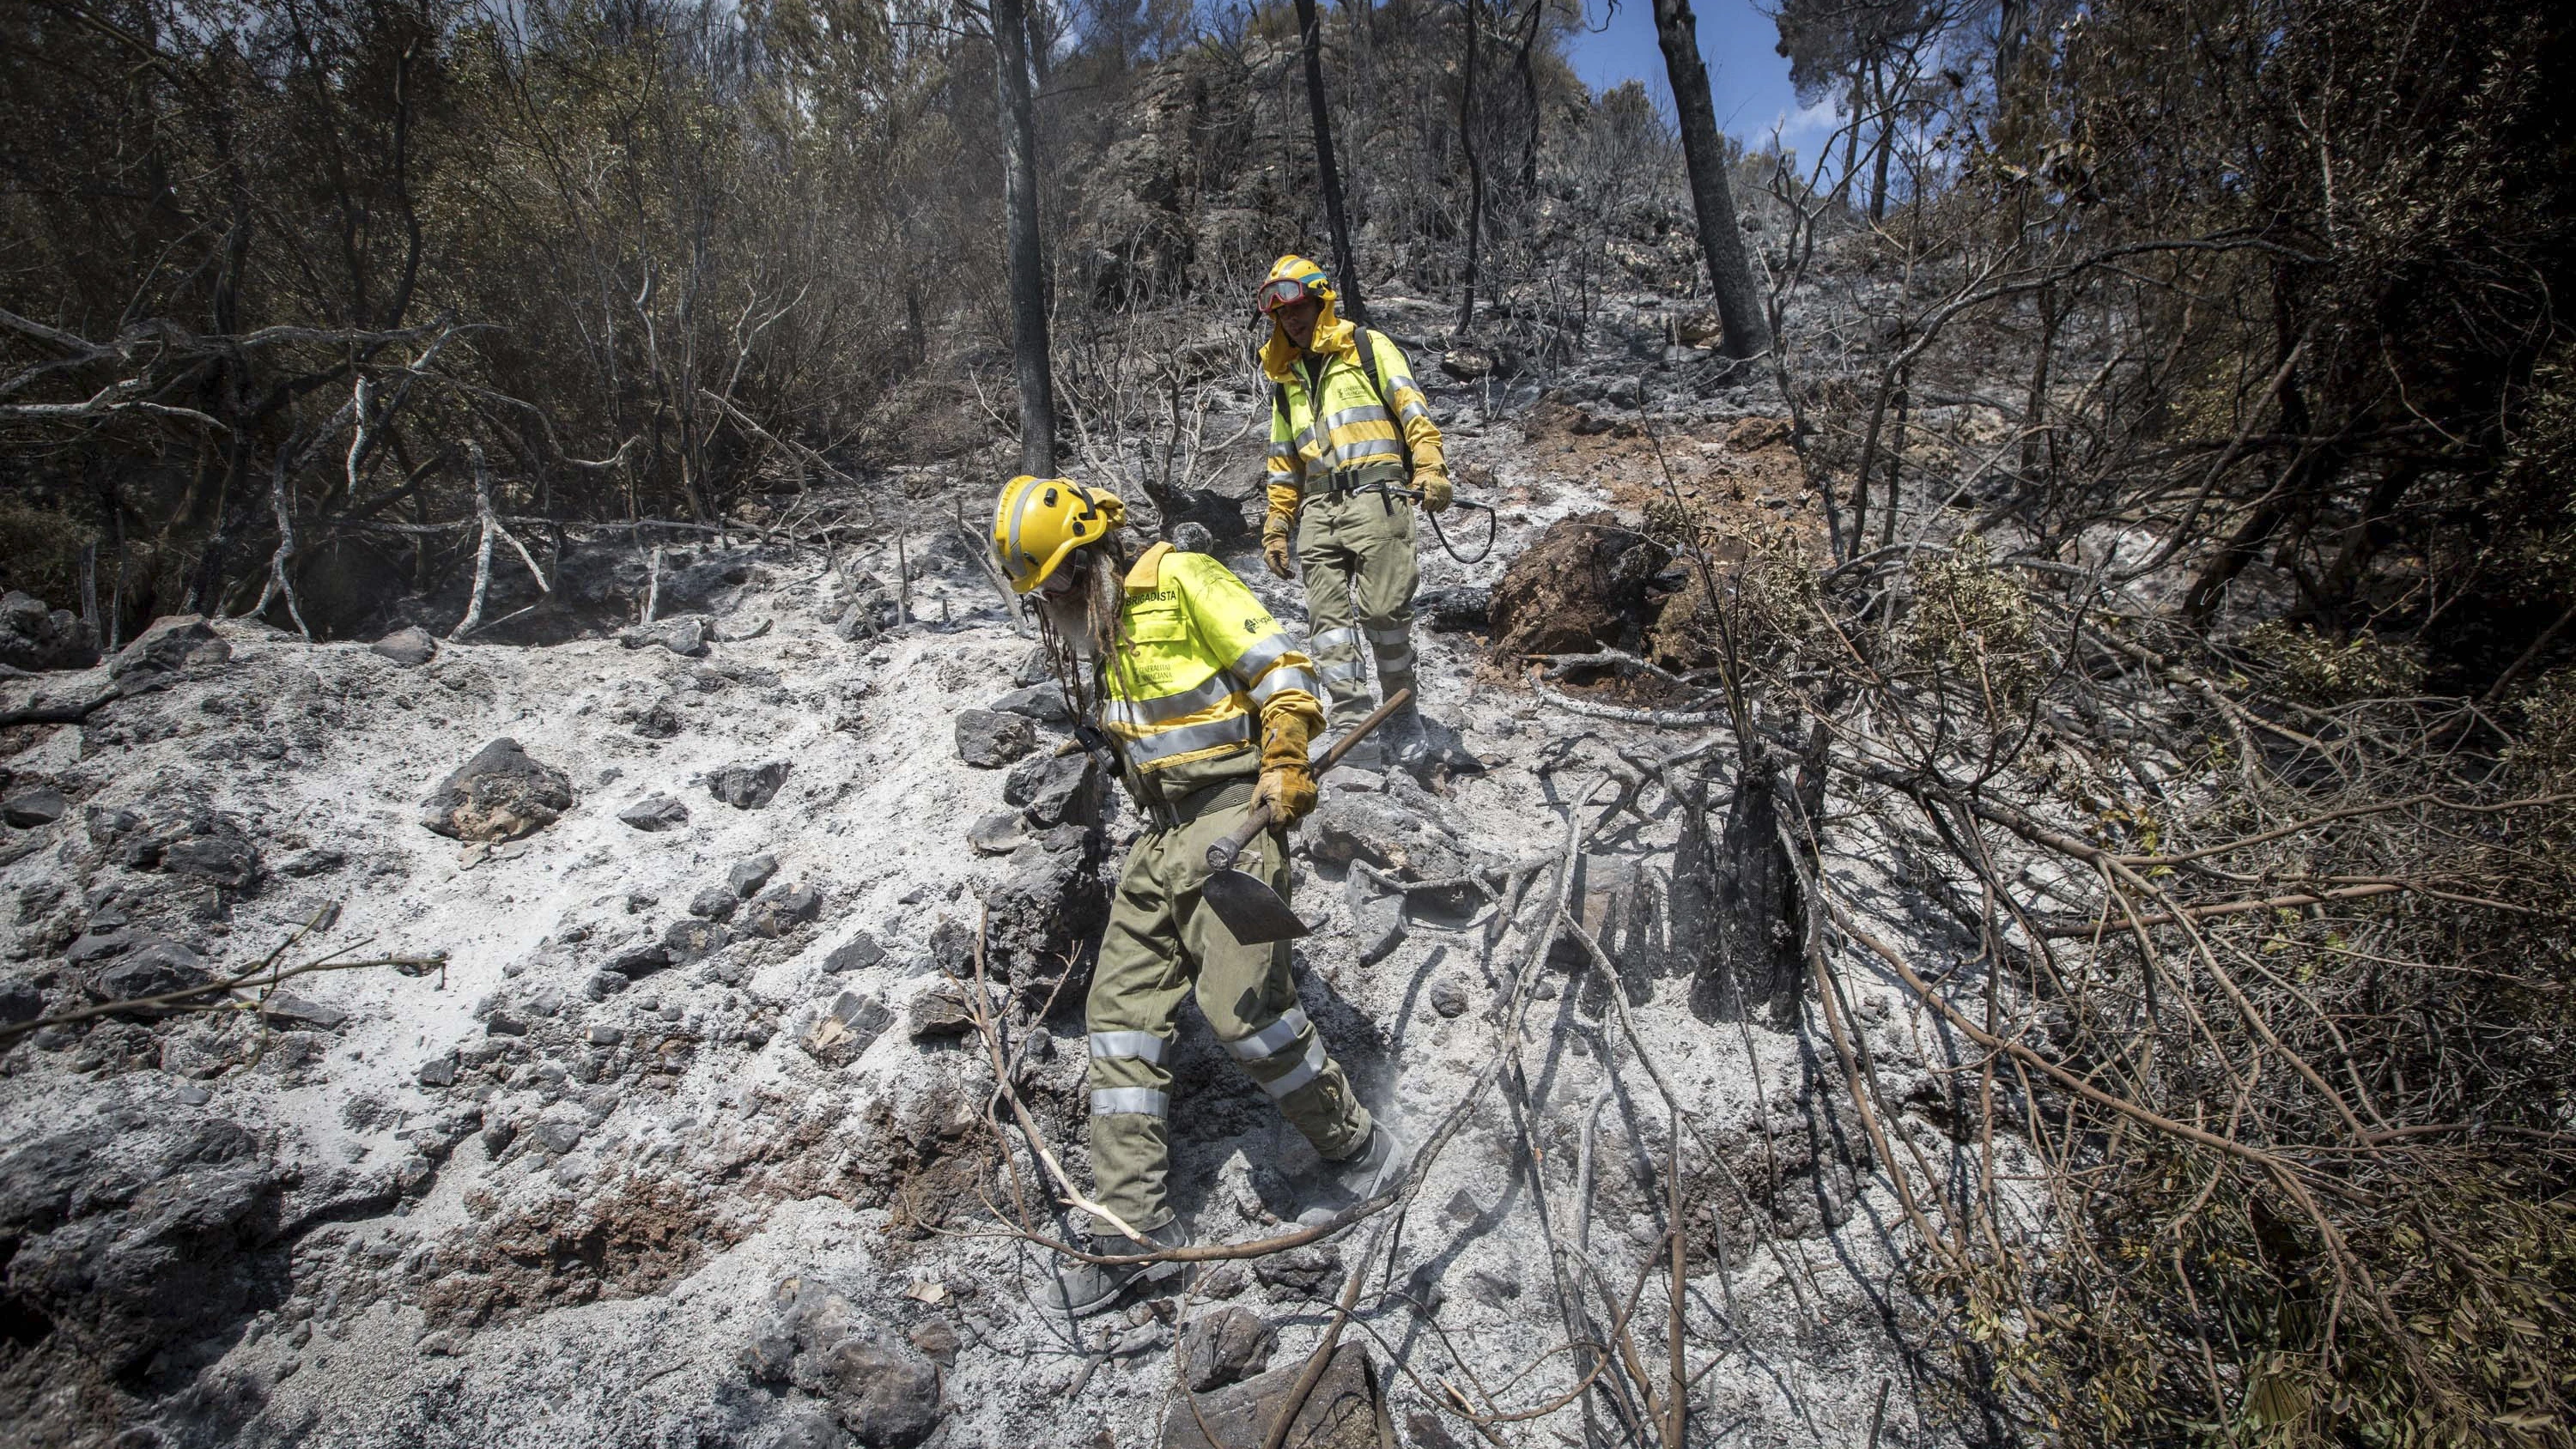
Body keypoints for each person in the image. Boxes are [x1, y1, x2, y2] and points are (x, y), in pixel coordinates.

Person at [989, 474, 1410, 1317]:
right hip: (1157, 838)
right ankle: (1133, 1236)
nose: (1058, 600)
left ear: (1093, 552)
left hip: (1232, 818)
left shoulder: (1182, 579)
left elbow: (1284, 669)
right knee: (1119, 1018)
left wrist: (1285, 756)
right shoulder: (1103, 631)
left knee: (1246, 1009)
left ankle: (1361, 1148)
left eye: (1065, 578)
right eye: (1046, 592)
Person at [1255, 254, 1450, 769]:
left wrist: (1429, 466)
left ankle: (1399, 709)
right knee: (1329, 624)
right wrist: (1277, 523)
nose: (1291, 321)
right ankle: (1351, 726)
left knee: (1385, 613)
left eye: (1299, 309)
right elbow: (1283, 461)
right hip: (1318, 506)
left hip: (1378, 495)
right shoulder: (1286, 380)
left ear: (1321, 302)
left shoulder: (1365, 348)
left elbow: (1412, 407)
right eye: (1281, 315)